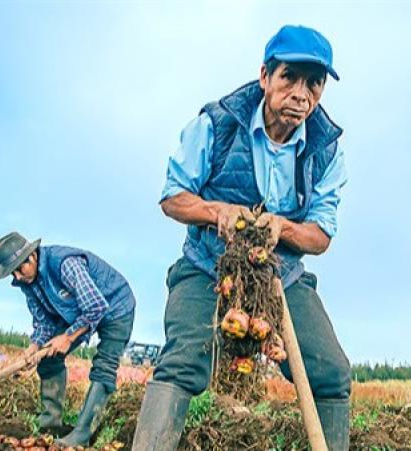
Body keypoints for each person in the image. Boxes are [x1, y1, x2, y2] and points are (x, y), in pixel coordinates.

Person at [132, 24, 350, 450]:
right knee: (182, 363)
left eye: (314, 83)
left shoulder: (326, 150)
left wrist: (282, 227)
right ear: (265, 76)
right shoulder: (217, 123)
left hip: (281, 276)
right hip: (207, 266)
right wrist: (218, 211)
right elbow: (173, 198)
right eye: (290, 77)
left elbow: (321, 236)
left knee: (330, 372)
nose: (301, 94)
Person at [0, 232, 136, 447]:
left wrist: (68, 337)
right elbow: (44, 323)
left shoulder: (65, 264)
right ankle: (51, 421)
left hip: (115, 307)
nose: (18, 277)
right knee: (49, 356)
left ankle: (82, 434)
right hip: (77, 312)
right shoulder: (26, 282)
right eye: (13, 273)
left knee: (104, 368)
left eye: (19, 269)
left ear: (32, 256)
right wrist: (35, 346)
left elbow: (96, 306)